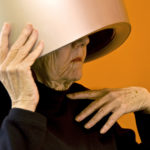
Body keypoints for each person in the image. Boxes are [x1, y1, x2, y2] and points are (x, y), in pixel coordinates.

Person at [0, 22, 150, 150]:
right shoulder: (12, 110)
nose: (84, 41)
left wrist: (147, 103)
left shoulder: (89, 108)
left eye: (83, 31)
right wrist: (24, 104)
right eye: (66, 30)